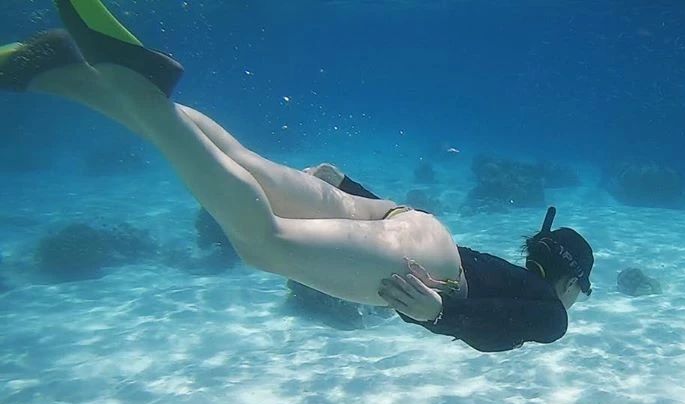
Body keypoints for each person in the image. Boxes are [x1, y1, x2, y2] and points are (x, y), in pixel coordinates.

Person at [0, 0, 594, 352]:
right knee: (264, 242)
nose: (572, 300)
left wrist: (347, 189)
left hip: (408, 223)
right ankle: (137, 87)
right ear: (570, 280)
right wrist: (440, 315)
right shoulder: (552, 311)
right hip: (422, 269)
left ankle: (59, 73)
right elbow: (502, 334)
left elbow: (404, 236)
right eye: (579, 287)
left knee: (250, 165)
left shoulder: (515, 270)